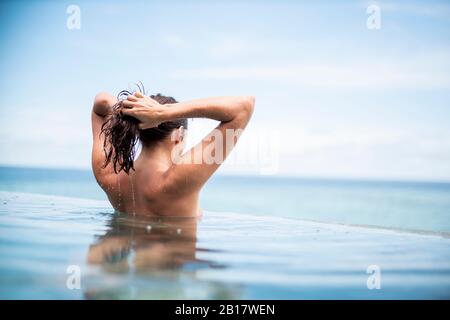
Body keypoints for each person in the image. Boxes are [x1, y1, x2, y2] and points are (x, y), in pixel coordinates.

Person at [91, 85, 255, 216]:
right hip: (176, 257)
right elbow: (244, 106)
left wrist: (128, 112)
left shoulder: (110, 175)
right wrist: (163, 113)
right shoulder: (178, 180)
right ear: (179, 135)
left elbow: (100, 104)